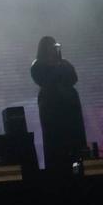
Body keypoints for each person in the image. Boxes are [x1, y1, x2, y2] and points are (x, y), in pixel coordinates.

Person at [30, 37, 87, 170]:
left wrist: (60, 65)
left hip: (70, 106)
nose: (53, 48)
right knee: (55, 140)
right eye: (50, 45)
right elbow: (44, 80)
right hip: (51, 107)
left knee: (74, 139)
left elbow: (74, 78)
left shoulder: (64, 62)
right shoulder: (37, 65)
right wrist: (57, 69)